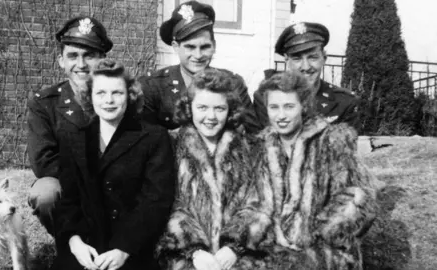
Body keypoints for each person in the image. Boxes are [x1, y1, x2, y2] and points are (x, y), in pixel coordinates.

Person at [51, 59, 175, 270]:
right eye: (100, 93)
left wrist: (123, 249)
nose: (108, 100)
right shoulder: (74, 138)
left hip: (132, 249)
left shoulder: (154, 137)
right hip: (86, 249)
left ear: (130, 96)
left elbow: (155, 202)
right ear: (90, 96)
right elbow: (68, 200)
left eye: (117, 93)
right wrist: (74, 242)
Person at [254, 71, 377, 269]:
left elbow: (357, 198)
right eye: (274, 107)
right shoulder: (263, 146)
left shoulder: (331, 141)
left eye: (289, 107)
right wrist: (272, 231)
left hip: (324, 250)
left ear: (303, 107)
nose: (281, 116)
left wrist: (316, 235)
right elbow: (256, 203)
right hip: (273, 247)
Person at [156, 69, 272, 270]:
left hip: (238, 258)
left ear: (230, 110)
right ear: (189, 108)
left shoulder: (249, 148)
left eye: (219, 108)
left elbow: (259, 202)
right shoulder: (169, 145)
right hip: (183, 256)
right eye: (202, 107)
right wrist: (194, 250)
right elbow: (165, 202)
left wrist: (234, 247)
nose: (210, 116)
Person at [27, 16, 112, 236]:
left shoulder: (118, 98)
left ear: (102, 59)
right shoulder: (45, 102)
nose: (81, 65)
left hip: (114, 187)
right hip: (69, 187)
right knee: (45, 192)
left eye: (89, 56)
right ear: (61, 61)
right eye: (73, 56)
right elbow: (44, 161)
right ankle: (69, 241)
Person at [140, 0, 262, 133]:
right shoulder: (153, 86)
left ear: (214, 46)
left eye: (205, 47)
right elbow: (145, 141)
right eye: (190, 47)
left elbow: (253, 135)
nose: (198, 55)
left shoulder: (233, 84)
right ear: (176, 47)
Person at [253, 22, 359, 131]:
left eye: (313, 57)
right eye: (297, 59)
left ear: (324, 58)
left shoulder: (344, 102)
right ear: (286, 60)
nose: (306, 67)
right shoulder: (266, 98)